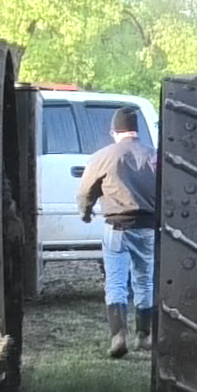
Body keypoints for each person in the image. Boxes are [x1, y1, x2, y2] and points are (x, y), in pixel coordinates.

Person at [76, 107, 157, 359]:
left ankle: (118, 335)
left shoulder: (102, 156)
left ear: (114, 131)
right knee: (144, 280)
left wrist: (86, 212)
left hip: (116, 227)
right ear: (136, 130)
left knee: (116, 281)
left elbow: (86, 192)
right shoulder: (153, 156)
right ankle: (144, 335)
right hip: (147, 227)